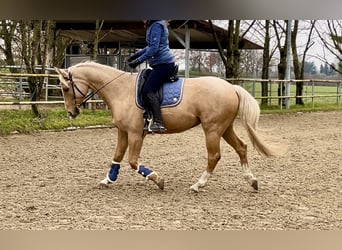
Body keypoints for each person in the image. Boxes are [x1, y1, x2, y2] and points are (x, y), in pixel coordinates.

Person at [128, 20, 175, 132]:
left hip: (163, 64)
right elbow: (149, 47)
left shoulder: (156, 25)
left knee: (148, 90)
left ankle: (158, 122)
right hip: (159, 64)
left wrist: (138, 61)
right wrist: (134, 56)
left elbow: (154, 49)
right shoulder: (153, 25)